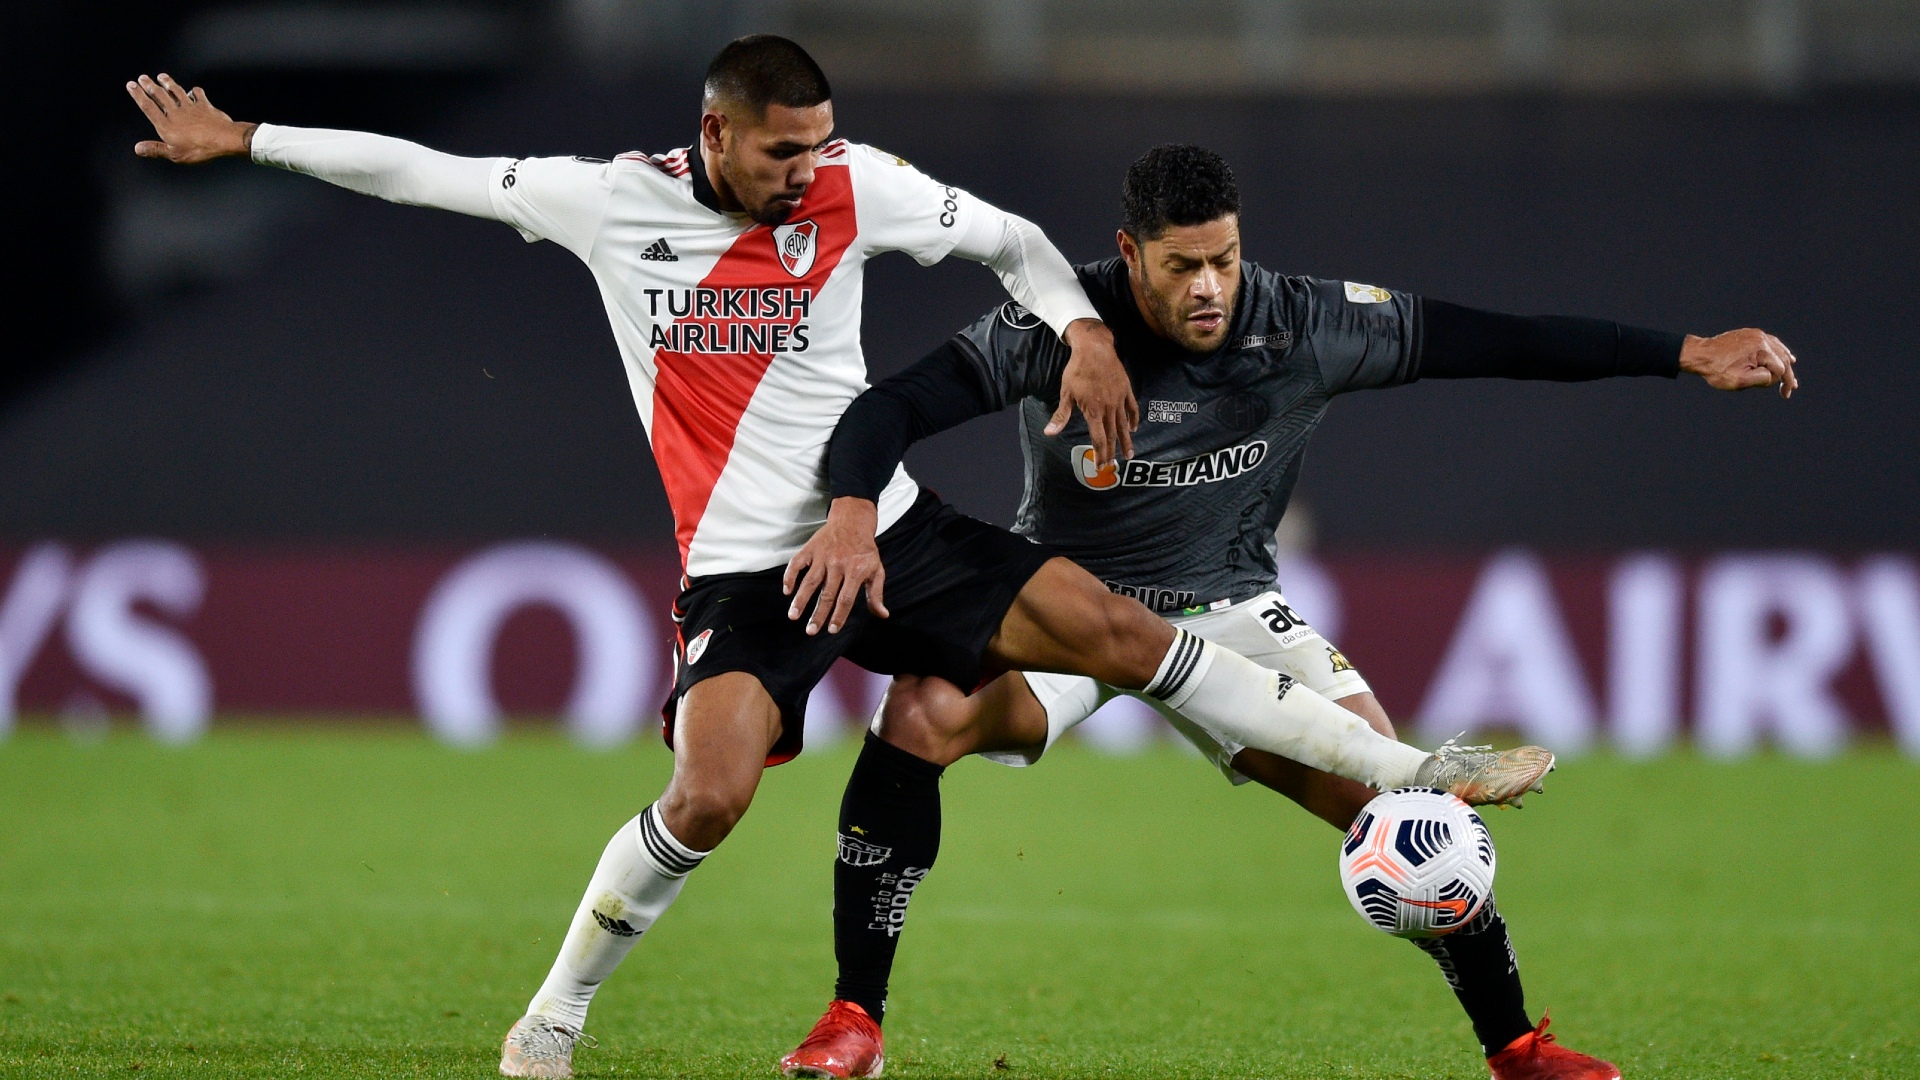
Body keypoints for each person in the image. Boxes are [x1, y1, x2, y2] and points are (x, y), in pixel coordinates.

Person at [129, 43, 1550, 1077]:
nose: (809, 173)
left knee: (1118, 631)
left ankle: (1405, 773)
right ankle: (555, 1017)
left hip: (895, 529)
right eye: (784, 152)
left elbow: (1010, 241)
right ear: (716, 134)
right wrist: (249, 141)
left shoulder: (856, 192)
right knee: (712, 792)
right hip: (750, 576)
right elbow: (425, 174)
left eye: (822, 147)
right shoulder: (606, 205)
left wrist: (1088, 329)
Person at [780, 145, 1798, 1080]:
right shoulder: (1063, 321)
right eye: (1182, 266)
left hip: (1228, 607)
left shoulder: (1305, 321)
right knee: (917, 714)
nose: (1211, 286)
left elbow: (1500, 341)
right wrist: (856, 515)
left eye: (1224, 257)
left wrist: (1687, 350)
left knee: (1409, 822)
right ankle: (853, 1019)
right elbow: (888, 408)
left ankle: (1517, 1046)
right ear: (1129, 254)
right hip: (1071, 611)